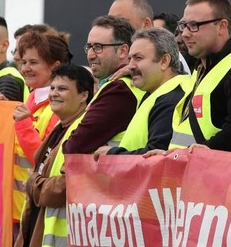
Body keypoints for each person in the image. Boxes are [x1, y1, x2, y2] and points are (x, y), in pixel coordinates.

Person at [169, 0, 231, 152]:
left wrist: (190, 154)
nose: (184, 34)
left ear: (222, 26)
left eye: (194, 25)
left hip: (213, 172)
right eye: (183, 25)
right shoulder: (201, 67)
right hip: (186, 171)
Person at [15, 64, 94, 247]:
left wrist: (34, 184)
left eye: (63, 89)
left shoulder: (83, 131)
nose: (54, 93)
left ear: (84, 96)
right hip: (38, 227)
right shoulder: (60, 128)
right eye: (52, 88)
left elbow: (71, 183)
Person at [12, 30, 72, 239]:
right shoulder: (30, 99)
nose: (25, 68)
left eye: (33, 62)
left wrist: (23, 125)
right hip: (20, 209)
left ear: (54, 67)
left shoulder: (59, 107)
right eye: (23, 62)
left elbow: (43, 159)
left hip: (38, 208)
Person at [94, 27, 189, 158]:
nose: (130, 66)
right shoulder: (158, 93)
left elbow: (156, 156)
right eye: (130, 59)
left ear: (164, 61)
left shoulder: (171, 99)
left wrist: (111, 153)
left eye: (138, 58)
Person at [63, 15, 145, 155]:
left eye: (98, 47)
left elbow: (75, 145)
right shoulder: (115, 86)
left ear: (123, 51)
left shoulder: (119, 91)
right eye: (89, 47)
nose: (90, 55)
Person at [109, 0, 191, 75]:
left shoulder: (170, 55)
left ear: (146, 24)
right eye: (110, 23)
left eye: (121, 22)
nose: (113, 29)